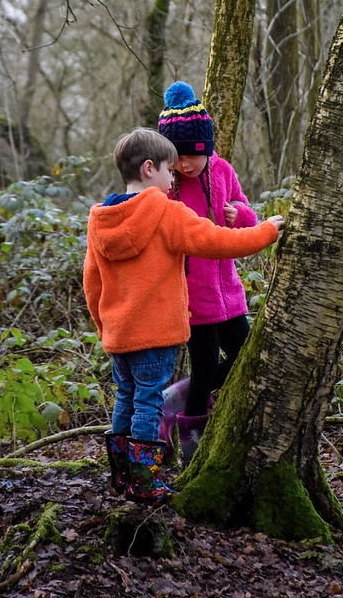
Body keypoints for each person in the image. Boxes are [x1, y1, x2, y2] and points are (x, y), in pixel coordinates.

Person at [83, 127, 284, 503]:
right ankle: (145, 482)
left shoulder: (100, 219)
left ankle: (122, 476)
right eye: (168, 171)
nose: (172, 178)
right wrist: (266, 231)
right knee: (147, 403)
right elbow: (218, 241)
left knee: (125, 399)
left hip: (118, 337)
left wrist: (104, 327)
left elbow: (91, 283)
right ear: (148, 169)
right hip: (155, 336)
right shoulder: (165, 212)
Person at [158, 81, 270, 465]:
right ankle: (192, 450)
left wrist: (244, 217)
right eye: (176, 157)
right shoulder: (169, 186)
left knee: (246, 354)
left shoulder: (222, 170)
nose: (184, 164)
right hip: (193, 297)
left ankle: (176, 396)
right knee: (204, 365)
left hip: (230, 292)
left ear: (206, 149)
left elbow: (243, 206)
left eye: (191, 156)